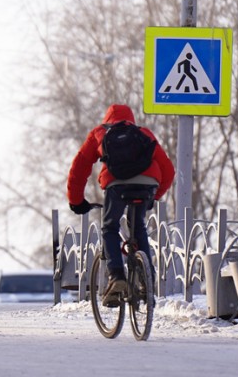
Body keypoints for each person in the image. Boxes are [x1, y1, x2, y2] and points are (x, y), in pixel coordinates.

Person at [66, 104, 174, 306]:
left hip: (117, 185)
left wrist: (76, 201)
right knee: (138, 226)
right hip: (147, 184)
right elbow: (167, 168)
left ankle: (116, 277)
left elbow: (79, 166)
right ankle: (146, 280)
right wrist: (155, 197)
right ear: (130, 119)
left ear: (107, 119)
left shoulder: (100, 133)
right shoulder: (143, 133)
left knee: (110, 227)